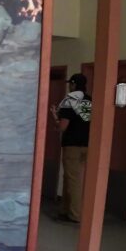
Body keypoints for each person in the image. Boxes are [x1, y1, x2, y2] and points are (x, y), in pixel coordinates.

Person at [50, 73, 92, 223]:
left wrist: (55, 117)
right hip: (86, 146)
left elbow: (62, 126)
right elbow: (86, 121)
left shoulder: (70, 100)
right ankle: (65, 211)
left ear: (73, 84)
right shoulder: (88, 100)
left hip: (72, 145)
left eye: (70, 84)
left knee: (72, 180)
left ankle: (75, 215)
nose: (69, 86)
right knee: (70, 178)